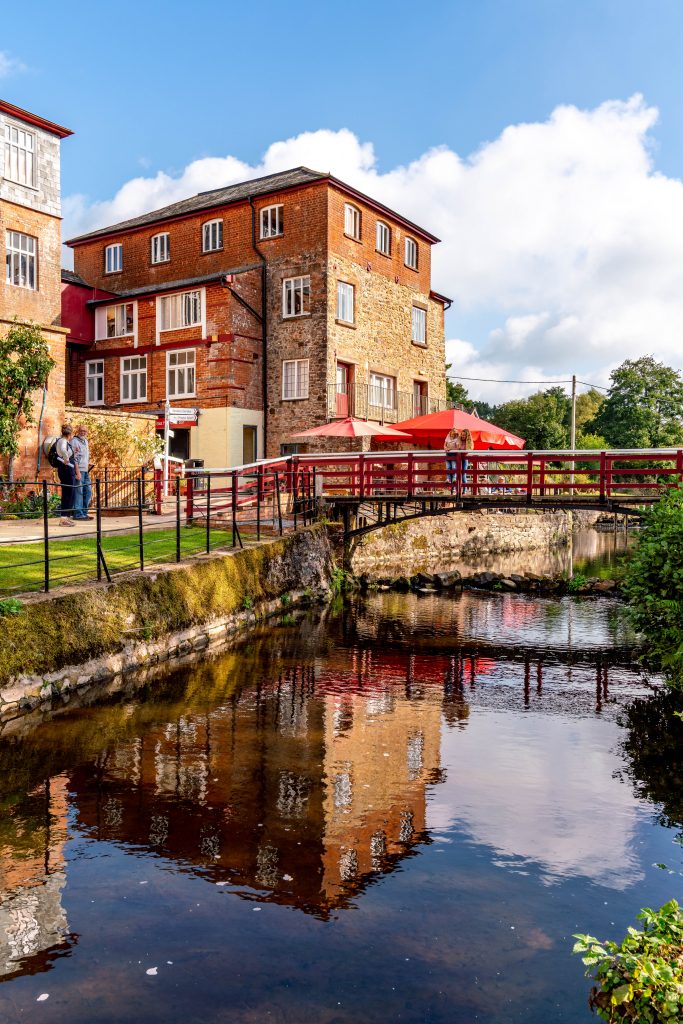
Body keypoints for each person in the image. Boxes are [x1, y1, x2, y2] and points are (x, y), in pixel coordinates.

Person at [54, 423, 80, 527]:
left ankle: (66, 517)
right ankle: (63, 519)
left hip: (68, 469)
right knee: (68, 494)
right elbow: (64, 451)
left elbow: (65, 451)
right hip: (66, 469)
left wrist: (71, 453)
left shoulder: (64, 441)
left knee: (70, 493)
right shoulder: (63, 441)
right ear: (70, 433)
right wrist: (66, 459)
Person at [72, 424, 93, 521]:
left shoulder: (85, 441)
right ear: (78, 431)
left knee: (88, 491)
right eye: (81, 430)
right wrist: (77, 472)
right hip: (79, 470)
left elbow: (83, 456)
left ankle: (84, 513)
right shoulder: (74, 441)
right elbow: (74, 458)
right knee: (79, 492)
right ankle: (78, 514)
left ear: (87, 432)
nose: (83, 432)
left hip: (85, 470)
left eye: (84, 431)